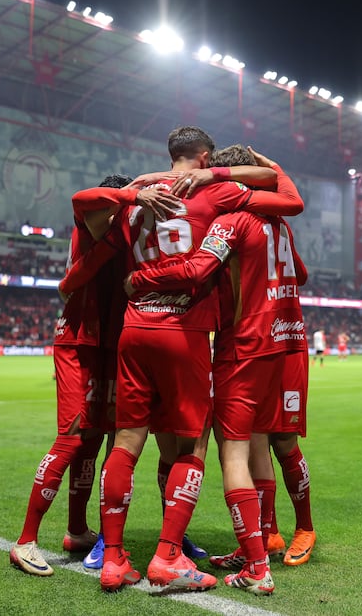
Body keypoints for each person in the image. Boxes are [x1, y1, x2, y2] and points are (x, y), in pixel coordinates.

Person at [68, 126, 303, 592]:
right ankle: (168, 554)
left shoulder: (136, 196)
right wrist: (225, 171)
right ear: (205, 156)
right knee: (193, 444)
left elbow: (83, 203)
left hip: (133, 331)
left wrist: (137, 191)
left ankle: (113, 558)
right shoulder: (218, 192)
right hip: (186, 332)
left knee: (126, 442)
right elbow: (286, 196)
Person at [9, 175, 132, 578]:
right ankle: (25, 540)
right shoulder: (89, 218)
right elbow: (85, 197)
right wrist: (132, 194)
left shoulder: (124, 232)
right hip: (78, 341)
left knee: (94, 439)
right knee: (72, 436)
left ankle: (77, 531)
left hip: (108, 345)